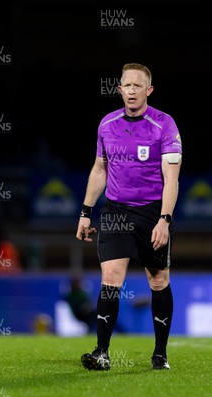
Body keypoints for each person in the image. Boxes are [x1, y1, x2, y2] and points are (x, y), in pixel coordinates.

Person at [76, 63, 182, 371]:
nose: (132, 91)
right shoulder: (106, 125)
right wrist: (85, 211)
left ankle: (160, 354)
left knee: (158, 281)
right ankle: (101, 352)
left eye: (138, 86)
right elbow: (99, 170)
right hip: (116, 212)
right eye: (127, 85)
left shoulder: (165, 125)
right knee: (110, 280)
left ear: (149, 91)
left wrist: (165, 219)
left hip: (152, 213)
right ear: (119, 89)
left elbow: (171, 178)